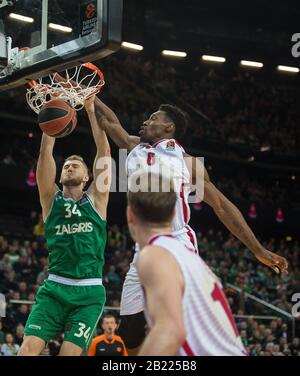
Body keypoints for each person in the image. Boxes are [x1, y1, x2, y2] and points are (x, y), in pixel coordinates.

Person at [93, 97, 288, 354]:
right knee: (129, 333)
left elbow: (221, 206)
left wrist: (257, 249)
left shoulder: (187, 162)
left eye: (153, 118)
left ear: (168, 128)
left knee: (171, 326)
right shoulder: (134, 147)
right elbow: (108, 121)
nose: (145, 121)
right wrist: (88, 94)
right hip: (143, 251)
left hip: (176, 244)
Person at [18, 96, 111, 356]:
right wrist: (51, 117)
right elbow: (45, 153)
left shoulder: (97, 200)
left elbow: (104, 153)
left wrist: (91, 111)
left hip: (89, 293)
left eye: (75, 166)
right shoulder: (50, 199)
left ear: (86, 177)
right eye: (66, 166)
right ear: (60, 175)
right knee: (26, 351)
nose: (69, 167)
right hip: (54, 290)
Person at [126, 172, 246, 355]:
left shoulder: (154, 254)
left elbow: (170, 332)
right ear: (175, 212)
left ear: (130, 215)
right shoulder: (186, 255)